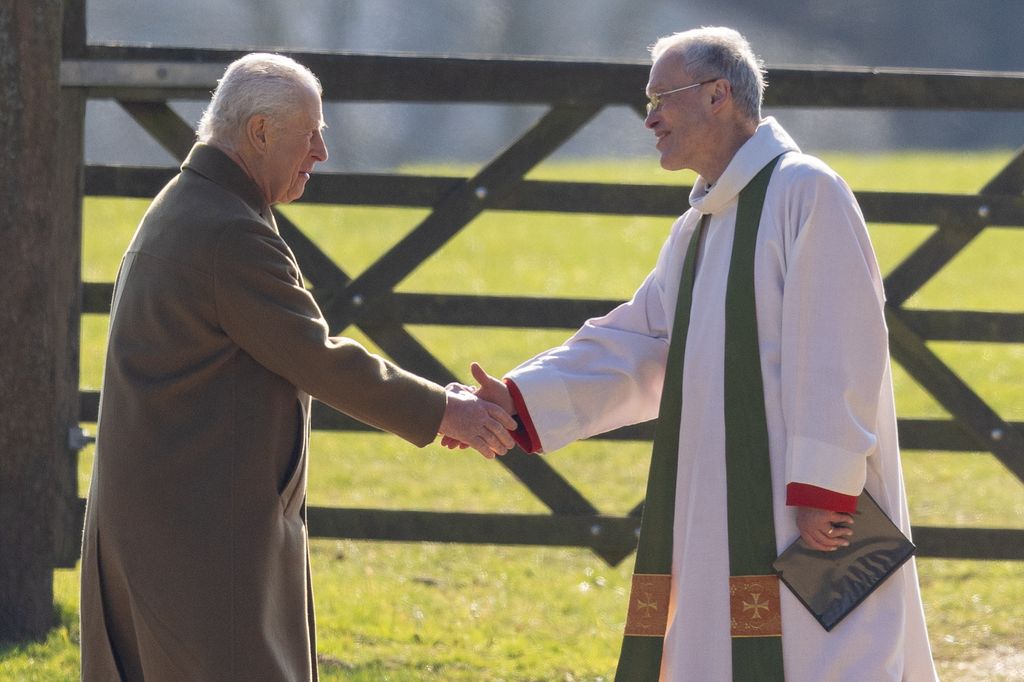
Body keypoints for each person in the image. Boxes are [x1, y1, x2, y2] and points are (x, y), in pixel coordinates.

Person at [450, 27, 937, 681]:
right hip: (722, 493)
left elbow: (841, 347)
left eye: (662, 98)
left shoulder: (806, 192)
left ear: (717, 96)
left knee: (822, 657)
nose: (648, 117)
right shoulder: (703, 224)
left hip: (804, 501)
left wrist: (826, 485)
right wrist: (521, 398)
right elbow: (644, 341)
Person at [79, 52, 515, 681]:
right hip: (197, 531)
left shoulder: (189, 206)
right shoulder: (228, 232)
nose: (321, 153)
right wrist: (447, 410)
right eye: (310, 133)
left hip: (170, 514)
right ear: (259, 133)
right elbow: (317, 358)